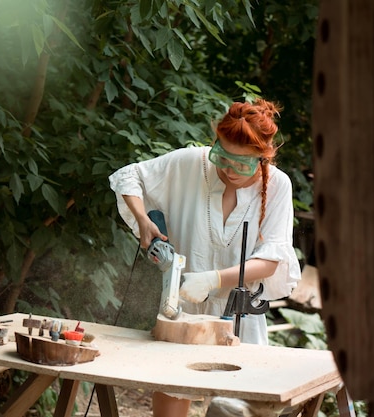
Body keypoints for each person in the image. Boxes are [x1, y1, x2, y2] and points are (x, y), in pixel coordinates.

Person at [108, 98, 301, 417]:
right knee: (171, 397)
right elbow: (130, 177)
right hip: (181, 308)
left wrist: (212, 280)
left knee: (242, 408)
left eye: (242, 164)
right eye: (223, 157)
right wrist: (144, 221)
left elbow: (271, 259)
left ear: (263, 158)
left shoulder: (278, 186)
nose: (228, 170)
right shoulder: (190, 164)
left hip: (240, 314)